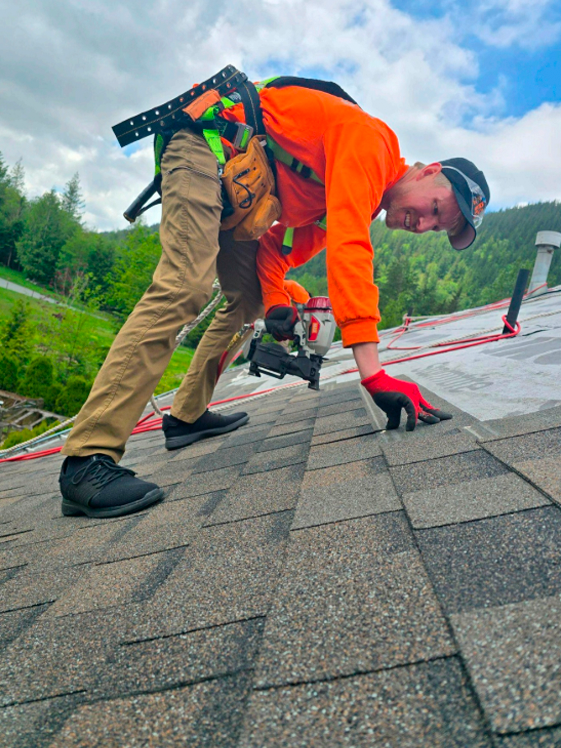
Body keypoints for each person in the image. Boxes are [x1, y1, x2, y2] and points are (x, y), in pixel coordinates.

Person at [58, 75, 489, 519]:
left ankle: (185, 415)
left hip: (233, 182)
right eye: (436, 208)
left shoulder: (337, 193)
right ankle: (88, 459)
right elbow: (351, 249)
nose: (424, 224)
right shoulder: (370, 143)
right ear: (429, 171)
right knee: (184, 284)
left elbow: (275, 252)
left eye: (436, 228)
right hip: (204, 143)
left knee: (245, 302)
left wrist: (277, 302)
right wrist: (374, 375)